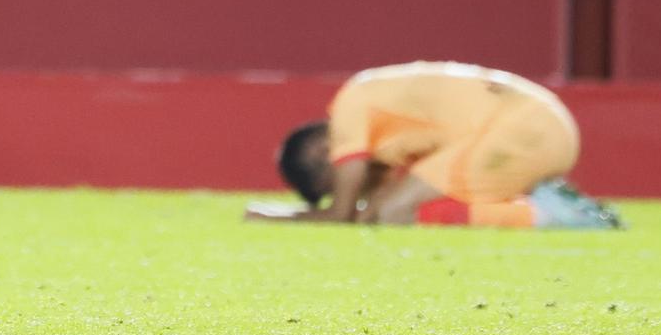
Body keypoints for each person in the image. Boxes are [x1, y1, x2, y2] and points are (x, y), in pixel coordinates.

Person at [253, 61, 622, 228]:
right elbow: (368, 209)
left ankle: (554, 216)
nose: (352, 185)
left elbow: (344, 214)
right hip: (539, 124)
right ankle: (546, 204)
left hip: (515, 129)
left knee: (394, 214)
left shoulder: (350, 106)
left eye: (331, 186)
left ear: (322, 154)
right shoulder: (379, 113)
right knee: (390, 210)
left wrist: (272, 216)